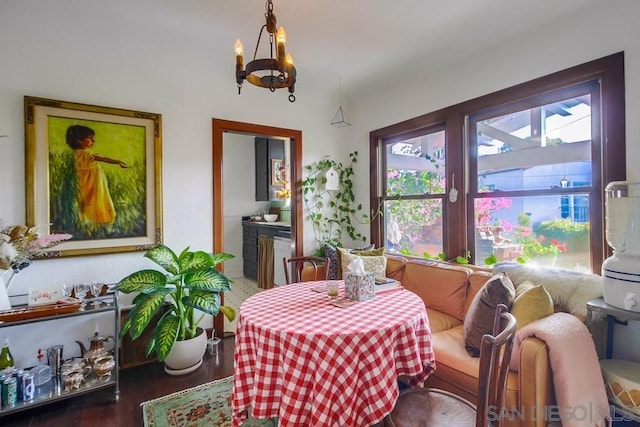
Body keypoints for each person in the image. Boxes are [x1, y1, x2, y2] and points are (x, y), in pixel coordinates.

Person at [65, 125, 128, 227]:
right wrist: (118, 162)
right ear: (80, 140)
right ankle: (96, 222)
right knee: (95, 201)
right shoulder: (86, 154)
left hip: (85, 183)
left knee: (86, 202)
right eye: (89, 138)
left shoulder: (75, 154)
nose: (93, 140)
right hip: (94, 185)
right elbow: (104, 159)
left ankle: (87, 222)